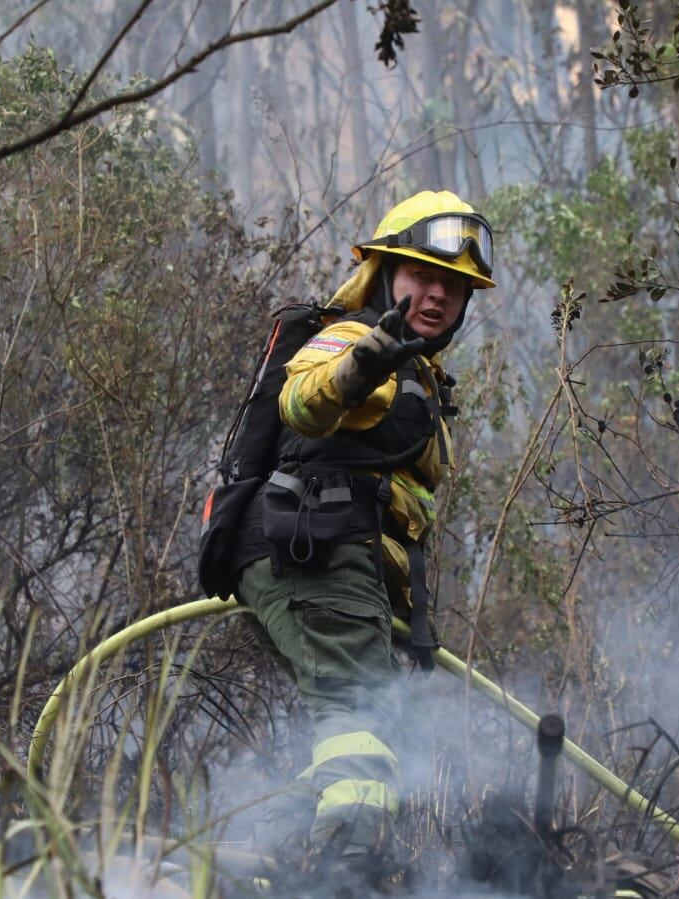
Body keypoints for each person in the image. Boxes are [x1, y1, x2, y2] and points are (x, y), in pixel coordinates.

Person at [234, 190, 495, 869]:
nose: (437, 296)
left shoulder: (417, 369)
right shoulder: (354, 337)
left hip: (331, 562)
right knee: (361, 740)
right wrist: (363, 364)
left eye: (453, 287)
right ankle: (332, 884)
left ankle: (258, 867)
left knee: (358, 737)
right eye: (421, 278)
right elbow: (302, 399)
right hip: (318, 551)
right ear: (383, 275)